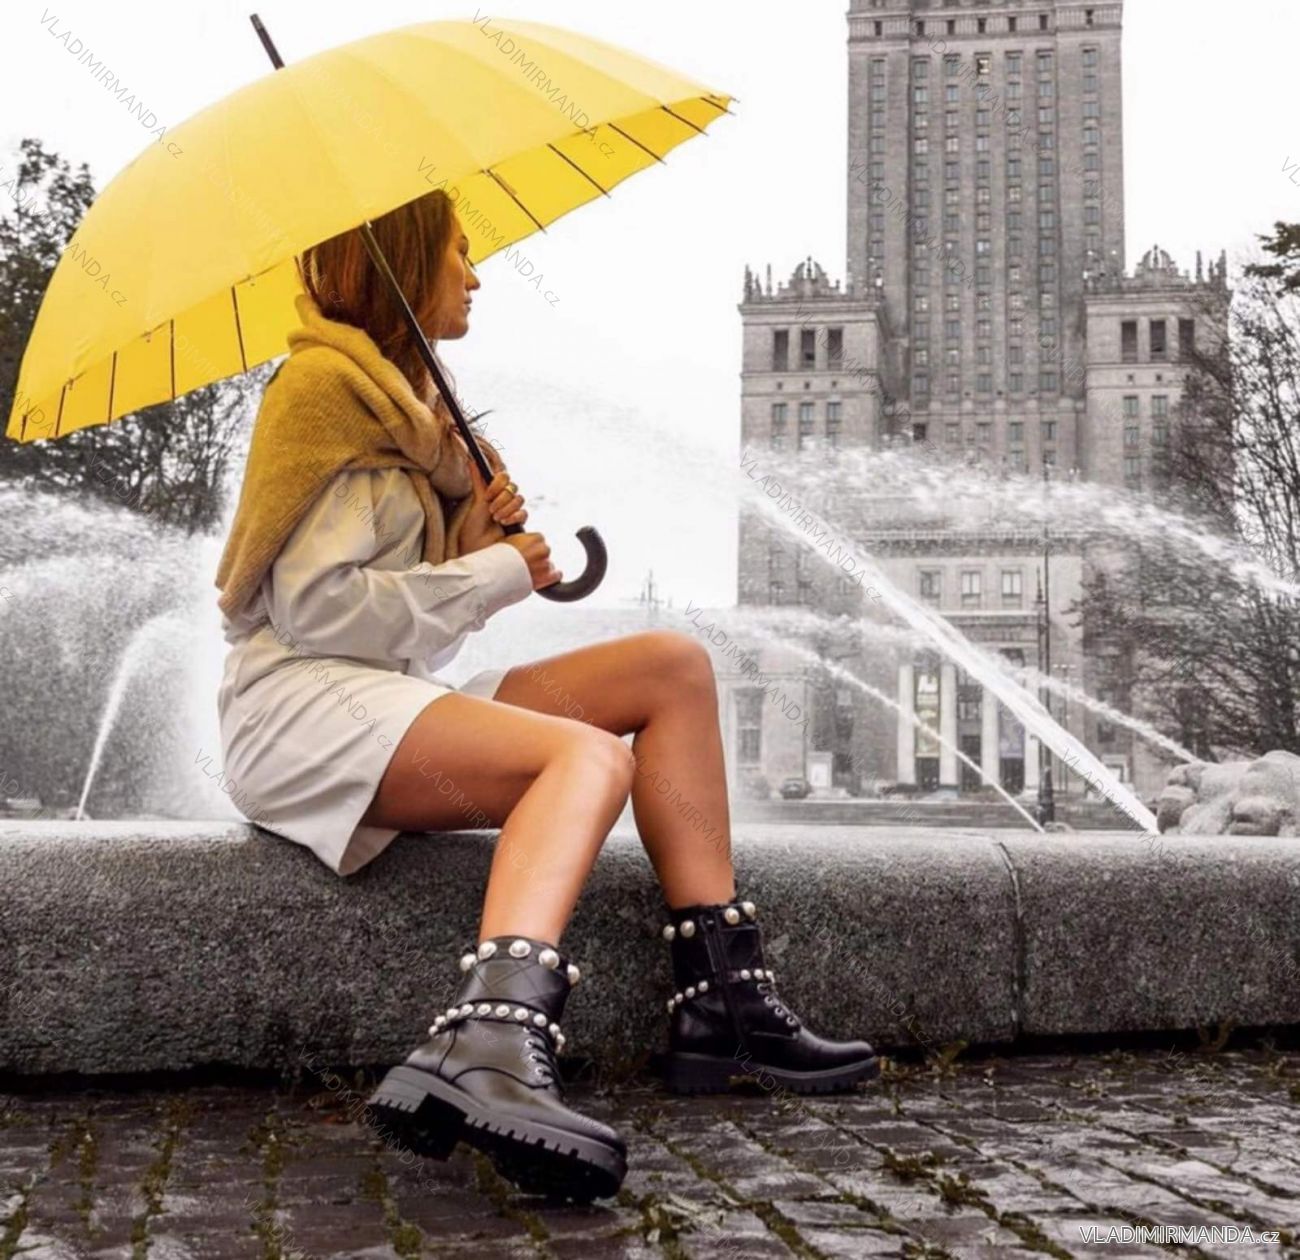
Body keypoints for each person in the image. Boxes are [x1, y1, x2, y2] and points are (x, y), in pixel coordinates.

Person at [213, 189, 878, 1205]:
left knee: (671, 666)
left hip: (380, 695)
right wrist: (494, 571)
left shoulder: (414, 420)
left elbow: (413, 627)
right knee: (586, 756)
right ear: (403, 261)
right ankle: (488, 1036)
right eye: (459, 252)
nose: (477, 276)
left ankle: (722, 1004)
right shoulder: (322, 395)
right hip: (298, 714)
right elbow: (316, 612)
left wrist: (474, 532)